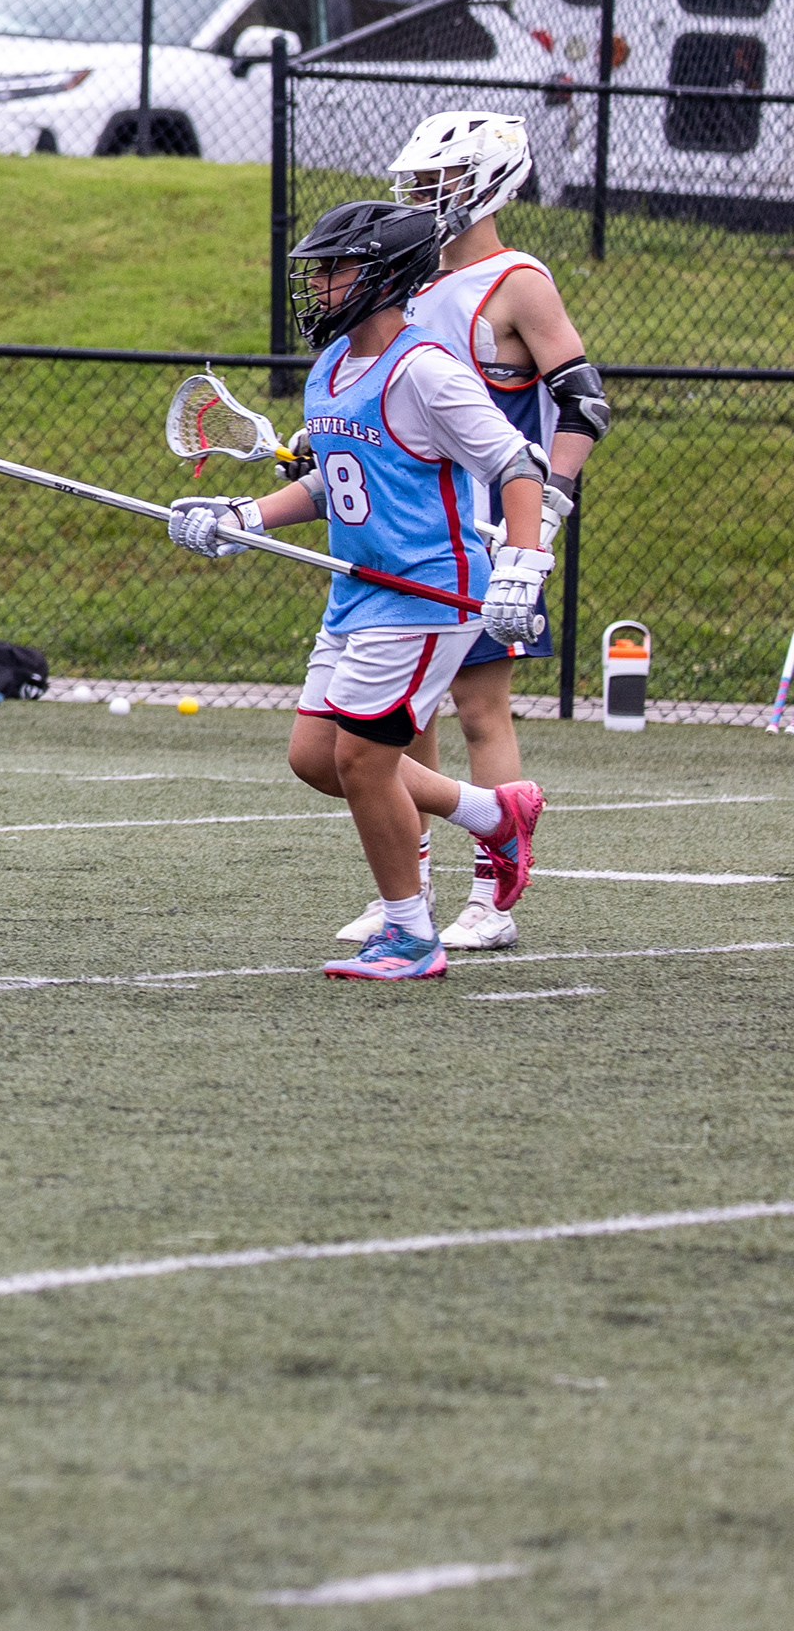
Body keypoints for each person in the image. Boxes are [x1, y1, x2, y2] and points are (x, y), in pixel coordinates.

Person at [173, 199, 547, 984]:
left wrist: (522, 563)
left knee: (363, 761)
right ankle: (492, 812)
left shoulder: (426, 371)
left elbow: (517, 465)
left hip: (426, 593)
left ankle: (411, 936)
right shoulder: (331, 367)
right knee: (317, 758)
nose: (318, 285)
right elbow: (336, 483)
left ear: (384, 276)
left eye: (334, 270)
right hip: (357, 594)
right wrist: (245, 517)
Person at [324, 110, 600, 952]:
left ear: (487, 183)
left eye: (435, 184)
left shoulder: (517, 280)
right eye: (414, 185)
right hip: (411, 529)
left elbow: (584, 401)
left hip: (483, 535)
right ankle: (407, 887)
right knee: (403, 724)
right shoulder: (403, 279)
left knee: (481, 710)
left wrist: (543, 512)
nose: (420, 199)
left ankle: (492, 896)